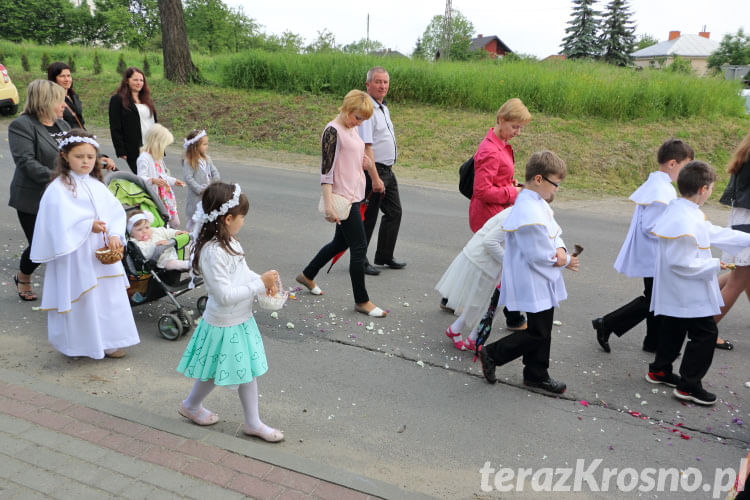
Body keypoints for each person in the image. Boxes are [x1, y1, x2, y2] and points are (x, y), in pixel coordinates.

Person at [176, 182, 284, 442]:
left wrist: (261, 283)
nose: (243, 222)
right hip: (224, 322)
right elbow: (224, 296)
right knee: (216, 372)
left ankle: (249, 421)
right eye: (242, 217)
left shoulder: (231, 242)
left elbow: (242, 273)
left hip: (240, 319)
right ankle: (196, 407)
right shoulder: (212, 253)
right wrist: (260, 284)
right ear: (227, 218)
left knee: (239, 370)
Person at [29, 129, 140, 359]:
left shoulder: (96, 184)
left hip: (101, 253)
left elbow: (115, 212)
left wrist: (116, 234)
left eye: (90, 157)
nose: (86, 161)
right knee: (84, 299)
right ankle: (80, 345)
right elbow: (55, 221)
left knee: (107, 297)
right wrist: (87, 225)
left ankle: (110, 341)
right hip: (76, 254)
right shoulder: (58, 188)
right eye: (79, 156)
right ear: (65, 156)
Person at [646, 161, 750, 405]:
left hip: (677, 290)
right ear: (703, 189)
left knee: (673, 327)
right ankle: (689, 385)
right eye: (712, 187)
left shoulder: (682, 210)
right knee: (705, 333)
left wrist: (747, 239)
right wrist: (716, 265)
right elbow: (681, 263)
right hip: (687, 290)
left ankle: (660, 369)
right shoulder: (684, 220)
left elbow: (711, 232)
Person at [479, 151, 579, 394]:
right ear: (538, 179)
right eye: (555, 184)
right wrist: (563, 260)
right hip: (533, 277)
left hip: (541, 277)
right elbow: (538, 254)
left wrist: (562, 249)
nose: (556, 190)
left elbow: (554, 233)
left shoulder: (537, 203)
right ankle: (493, 354)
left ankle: (536, 373)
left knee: (542, 329)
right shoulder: (529, 212)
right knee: (537, 332)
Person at [592, 139, 694, 353]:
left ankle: (652, 341)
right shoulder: (661, 190)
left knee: (655, 298)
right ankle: (607, 323)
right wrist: (680, 233)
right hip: (655, 254)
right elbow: (651, 226)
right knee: (655, 299)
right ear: (673, 163)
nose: (686, 173)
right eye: (685, 166)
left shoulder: (659, 185)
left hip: (654, 253)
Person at [296, 90, 387, 317]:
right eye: (357, 117)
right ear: (346, 109)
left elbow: (352, 155)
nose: (359, 123)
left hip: (354, 195)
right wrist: (328, 205)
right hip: (341, 197)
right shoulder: (332, 131)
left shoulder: (351, 128)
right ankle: (362, 301)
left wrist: (365, 164)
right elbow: (326, 171)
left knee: (340, 243)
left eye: (363, 119)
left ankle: (307, 275)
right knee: (359, 246)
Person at [452, 98, 532, 331]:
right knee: (502, 265)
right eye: (515, 126)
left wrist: (510, 182)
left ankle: (451, 298)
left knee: (484, 262)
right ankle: (514, 316)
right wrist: (513, 192)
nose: (518, 132)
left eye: (521, 128)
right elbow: (482, 191)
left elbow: (495, 178)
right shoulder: (490, 149)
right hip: (488, 213)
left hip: (496, 211)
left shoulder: (500, 143)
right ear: (500, 120)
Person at [436, 207, 511, 351]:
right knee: (483, 302)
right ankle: (462, 332)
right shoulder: (514, 216)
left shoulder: (524, 214)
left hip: (494, 263)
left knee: (490, 303)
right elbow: (490, 242)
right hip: (484, 262)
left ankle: (469, 335)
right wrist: (511, 262)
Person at [357, 67, 403, 276]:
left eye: (385, 82)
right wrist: (375, 177)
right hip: (373, 171)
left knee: (394, 212)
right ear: (368, 84)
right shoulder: (367, 110)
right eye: (378, 82)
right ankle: (360, 260)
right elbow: (367, 147)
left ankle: (384, 255)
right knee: (370, 217)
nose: (382, 86)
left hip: (387, 170)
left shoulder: (383, 107)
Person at [714, 131, 750, 350]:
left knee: (743, 273)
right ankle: (706, 328)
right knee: (738, 279)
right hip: (748, 219)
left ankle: (699, 308)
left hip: (742, 216)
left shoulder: (746, 150)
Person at [109, 67, 157, 173]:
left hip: (152, 146)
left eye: (141, 80)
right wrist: (121, 150)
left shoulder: (146, 100)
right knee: (145, 179)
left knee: (159, 178)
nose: (139, 83)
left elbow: (154, 122)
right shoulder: (117, 99)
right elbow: (115, 126)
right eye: (135, 80)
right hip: (135, 148)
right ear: (127, 80)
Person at [137, 124, 185, 227]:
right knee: (161, 221)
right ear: (157, 143)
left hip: (165, 196)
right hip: (154, 196)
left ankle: (167, 230)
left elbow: (163, 175)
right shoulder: (144, 158)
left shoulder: (158, 158)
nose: (164, 148)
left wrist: (174, 181)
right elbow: (140, 178)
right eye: (164, 145)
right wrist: (153, 180)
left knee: (174, 222)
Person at [183, 129, 220, 232]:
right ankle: (190, 238)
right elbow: (188, 179)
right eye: (204, 144)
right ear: (195, 146)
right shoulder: (189, 161)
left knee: (206, 215)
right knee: (194, 218)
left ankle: (203, 235)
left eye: (207, 144)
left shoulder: (207, 158)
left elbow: (214, 171)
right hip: (197, 196)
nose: (206, 146)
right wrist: (200, 189)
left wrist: (215, 184)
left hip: (208, 194)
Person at [47, 62, 85, 130]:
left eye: (68, 76)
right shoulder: (52, 99)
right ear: (53, 78)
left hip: (79, 136)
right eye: (62, 76)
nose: (66, 80)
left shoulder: (73, 96)